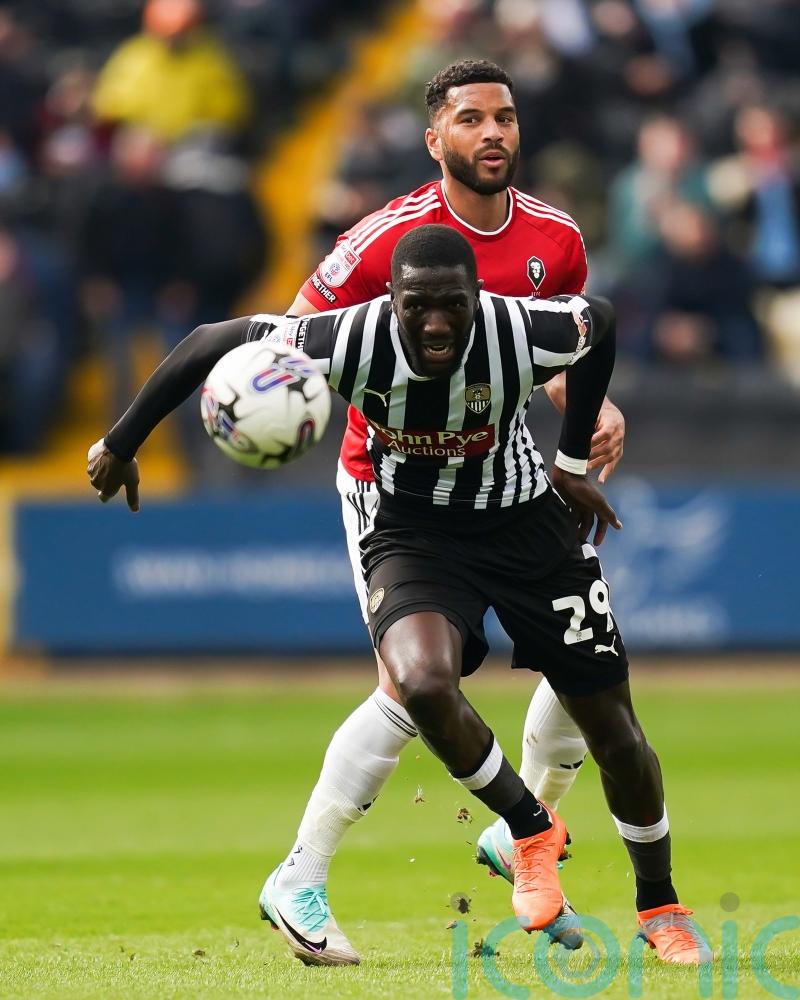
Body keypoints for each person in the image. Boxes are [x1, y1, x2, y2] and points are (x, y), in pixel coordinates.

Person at [86, 225, 709, 969]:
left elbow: (598, 321)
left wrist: (571, 459)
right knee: (419, 682)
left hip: (526, 528)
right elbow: (206, 340)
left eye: (453, 305)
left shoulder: (518, 328)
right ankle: (531, 829)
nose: (437, 322)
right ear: (392, 299)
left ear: (478, 299)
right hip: (414, 534)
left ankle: (661, 905)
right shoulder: (346, 338)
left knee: (616, 732)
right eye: (419, 306)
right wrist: (121, 443)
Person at [257, 58, 625, 963]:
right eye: (471, 120)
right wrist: (275, 409)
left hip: (506, 473)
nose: (492, 133)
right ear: (437, 140)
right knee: (417, 679)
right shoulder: (385, 240)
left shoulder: (557, 238)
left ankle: (518, 832)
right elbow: (283, 340)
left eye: (504, 117)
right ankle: (301, 872)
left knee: (584, 656)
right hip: (390, 483)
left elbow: (557, 347)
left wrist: (591, 405)